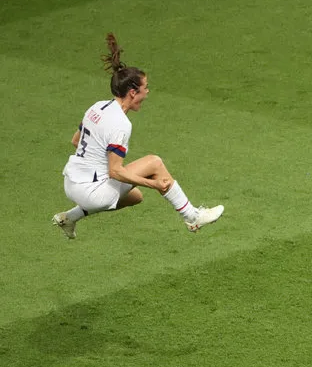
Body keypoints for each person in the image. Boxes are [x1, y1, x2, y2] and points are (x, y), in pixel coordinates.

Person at [52, 33, 224, 239]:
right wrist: (154, 184)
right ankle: (192, 216)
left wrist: (94, 168)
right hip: (91, 192)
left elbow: (75, 141)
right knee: (154, 163)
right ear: (133, 92)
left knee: (134, 197)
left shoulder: (97, 107)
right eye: (145, 88)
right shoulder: (121, 124)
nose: (148, 92)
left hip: (71, 183)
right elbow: (115, 172)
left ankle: (69, 217)